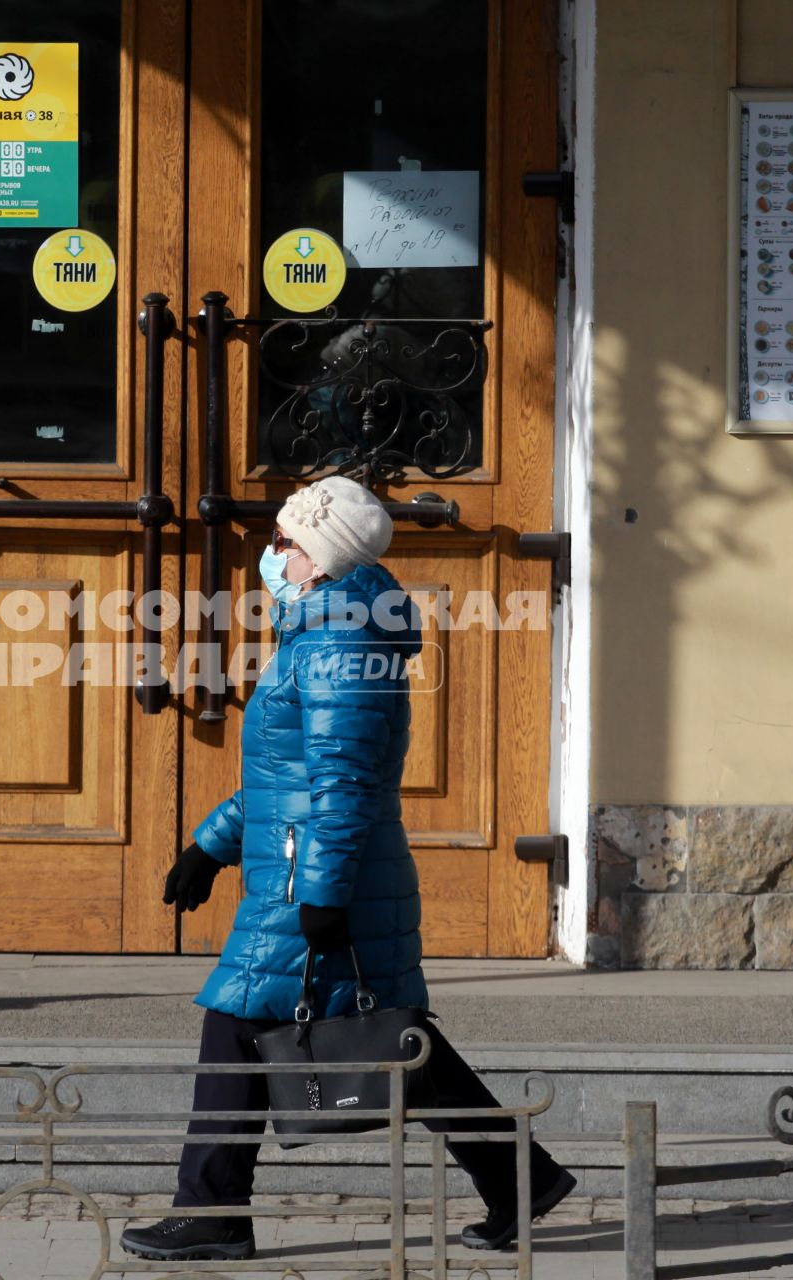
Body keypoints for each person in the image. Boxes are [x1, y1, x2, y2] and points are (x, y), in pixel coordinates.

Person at [120, 476, 576, 1263]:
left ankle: (213, 1213)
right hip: (308, 867)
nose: (272, 555)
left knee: (236, 1022)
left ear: (321, 558)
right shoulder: (321, 632)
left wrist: (322, 895)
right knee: (393, 1036)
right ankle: (518, 1182)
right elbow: (285, 777)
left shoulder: (341, 644)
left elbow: (344, 782)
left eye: (285, 542)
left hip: (317, 875)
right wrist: (210, 844)